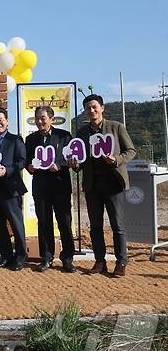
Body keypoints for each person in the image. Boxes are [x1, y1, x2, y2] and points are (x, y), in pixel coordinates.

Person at [69, 94, 136, 277]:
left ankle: (121, 262)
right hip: (92, 184)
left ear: (102, 108)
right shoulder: (82, 133)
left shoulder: (116, 127)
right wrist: (76, 165)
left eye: (94, 107)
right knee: (95, 226)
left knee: (117, 225)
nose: (91, 111)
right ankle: (100, 262)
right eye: (87, 108)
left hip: (113, 182)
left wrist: (116, 160)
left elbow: (131, 151)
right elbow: (81, 160)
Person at [25, 106, 76, 273]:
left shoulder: (64, 136)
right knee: (44, 222)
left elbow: (71, 159)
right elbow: (26, 160)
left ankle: (67, 258)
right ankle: (46, 257)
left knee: (64, 222)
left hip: (60, 184)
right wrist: (29, 167)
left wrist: (60, 166)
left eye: (43, 118)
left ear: (51, 119)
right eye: (37, 118)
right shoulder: (31, 139)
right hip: (41, 185)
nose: (40, 122)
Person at [0, 108, 28, 271]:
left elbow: (22, 161)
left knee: (16, 223)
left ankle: (21, 257)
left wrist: (7, 170)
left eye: (1, 119)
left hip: (10, 188)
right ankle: (5, 256)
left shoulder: (15, 139)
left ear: (7, 121)